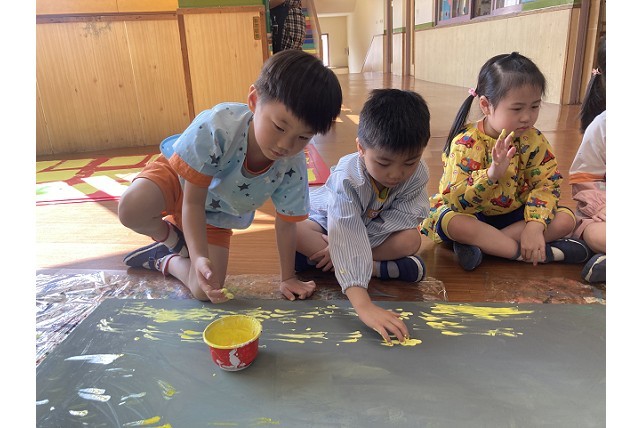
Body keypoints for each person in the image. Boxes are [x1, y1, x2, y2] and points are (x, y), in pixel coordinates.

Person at [118, 50, 342, 303]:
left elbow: (286, 223)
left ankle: (164, 259)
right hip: (180, 181)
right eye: (279, 127)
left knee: (204, 289)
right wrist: (197, 254)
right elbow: (192, 201)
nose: (285, 145)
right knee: (131, 208)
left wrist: (287, 277)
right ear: (254, 100)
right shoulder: (219, 126)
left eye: (303, 137)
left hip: (215, 213)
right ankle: (172, 240)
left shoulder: (293, 163)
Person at [420, 52, 591, 271]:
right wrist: (491, 175)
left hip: (514, 216)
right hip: (473, 216)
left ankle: (486, 247)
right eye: (517, 108)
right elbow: (455, 199)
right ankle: (527, 253)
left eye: (534, 107)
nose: (527, 117)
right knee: (455, 223)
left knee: (566, 219)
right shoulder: (466, 142)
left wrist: (535, 225)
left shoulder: (533, 139)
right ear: (485, 105)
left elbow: (547, 184)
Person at [295, 89, 431, 344]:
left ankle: (344, 263)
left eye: (409, 163)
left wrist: (348, 247)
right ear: (361, 148)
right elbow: (344, 227)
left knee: (412, 239)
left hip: (374, 232)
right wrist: (364, 306)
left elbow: (403, 218)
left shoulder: (418, 173)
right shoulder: (347, 177)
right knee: (295, 232)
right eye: (383, 163)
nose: (396, 174)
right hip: (328, 224)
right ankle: (375, 268)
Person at [569, 36, 606, 283]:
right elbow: (585, 180)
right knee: (593, 233)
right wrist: (603, 206)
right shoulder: (602, 126)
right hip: (606, 214)